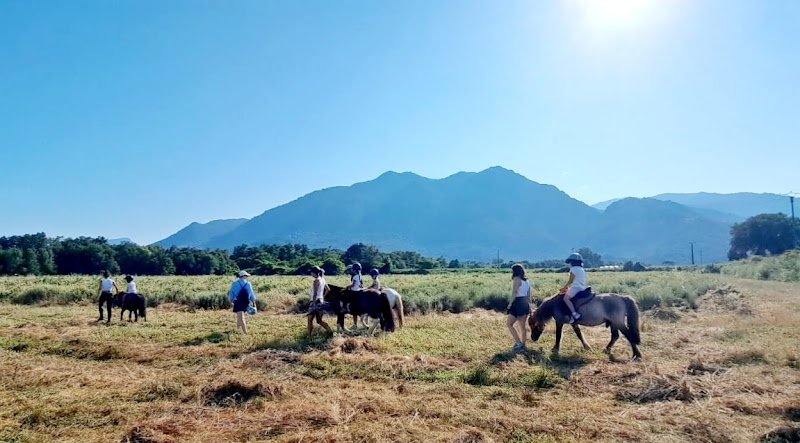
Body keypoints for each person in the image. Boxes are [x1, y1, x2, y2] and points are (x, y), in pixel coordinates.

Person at [507, 263, 532, 352]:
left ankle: (518, 343)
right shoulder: (527, 281)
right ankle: (523, 344)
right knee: (522, 326)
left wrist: (510, 304)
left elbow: (514, 292)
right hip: (524, 303)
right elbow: (529, 296)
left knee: (509, 324)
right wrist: (529, 306)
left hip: (517, 302)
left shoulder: (516, 279)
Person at [560, 252, 588, 324]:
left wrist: (564, 288)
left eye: (569, 262)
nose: (569, 264)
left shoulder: (573, 269)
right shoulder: (581, 269)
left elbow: (571, 281)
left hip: (576, 288)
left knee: (566, 298)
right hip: (582, 287)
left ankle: (574, 314)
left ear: (572, 262)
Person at [307, 266, 333, 335]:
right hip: (320, 301)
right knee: (319, 321)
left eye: (311, 272)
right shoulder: (323, 279)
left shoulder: (316, 281)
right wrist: (322, 297)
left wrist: (313, 304)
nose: (311, 274)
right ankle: (330, 332)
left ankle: (309, 336)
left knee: (310, 320)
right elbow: (328, 290)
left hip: (315, 301)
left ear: (314, 273)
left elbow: (315, 294)